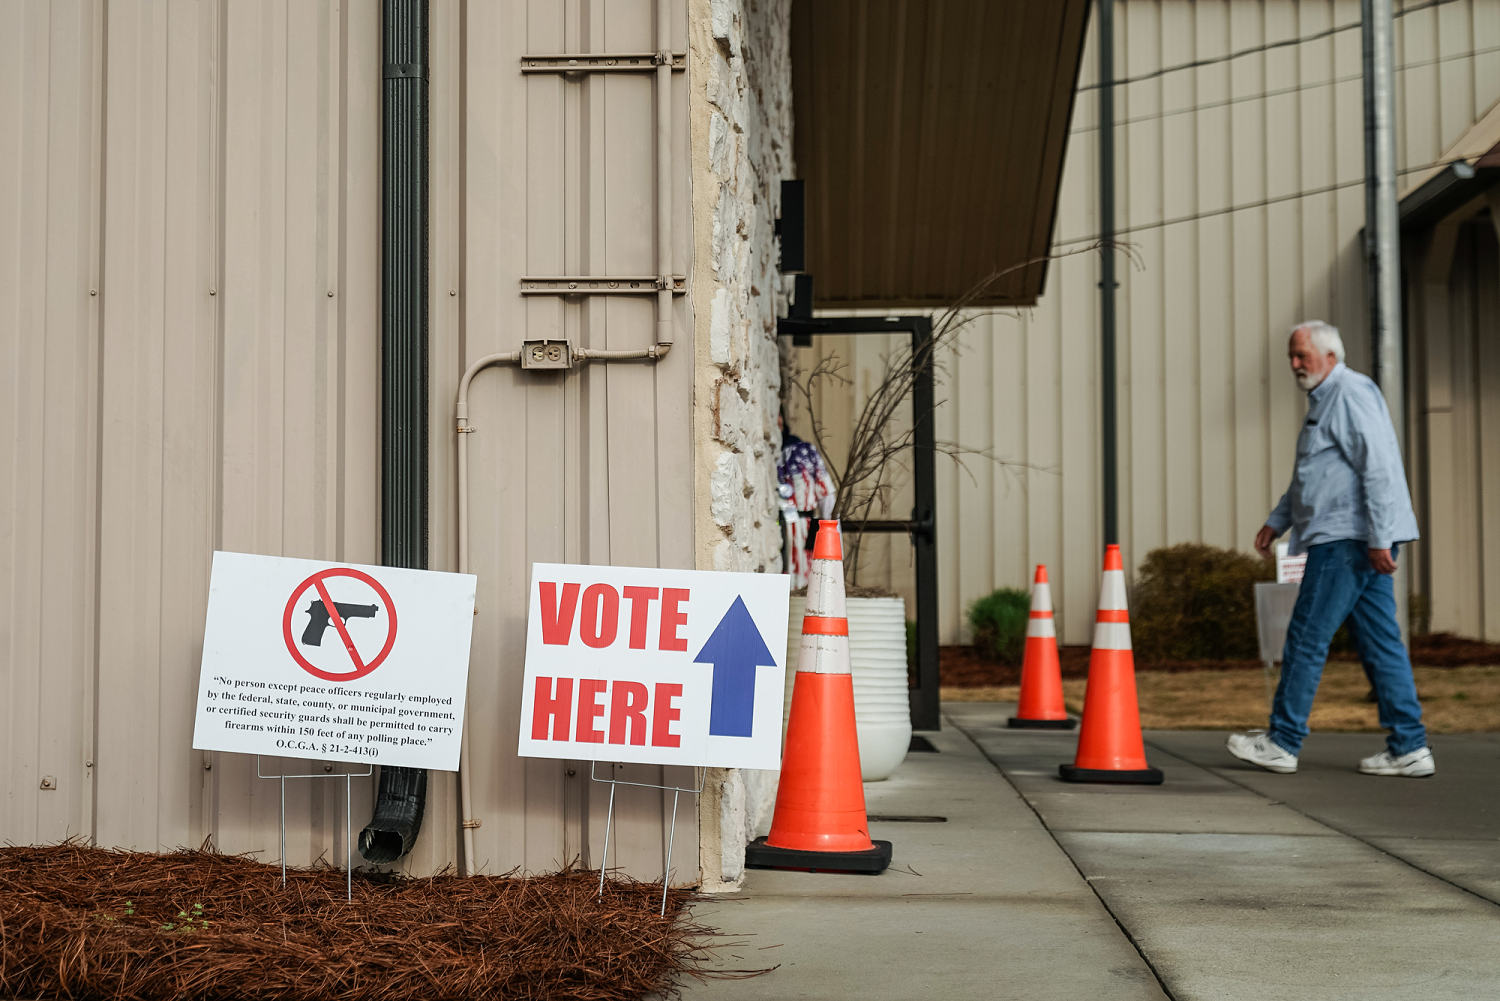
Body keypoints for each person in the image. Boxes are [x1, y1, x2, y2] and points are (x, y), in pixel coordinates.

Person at [1227, 321, 1434, 777]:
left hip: (1347, 540)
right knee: (1381, 643)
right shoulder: (1327, 400)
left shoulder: (1349, 394)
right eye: (1292, 356)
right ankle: (1410, 746)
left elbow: (1378, 468)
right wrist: (1278, 520)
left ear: (1331, 356)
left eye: (1302, 355)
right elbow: (1316, 475)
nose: (1294, 364)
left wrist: (1379, 537)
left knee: (1306, 636)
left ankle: (1282, 741)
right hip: (1354, 538)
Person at [777, 412, 836, 589]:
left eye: (780, 416)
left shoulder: (803, 451)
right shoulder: (767, 453)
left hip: (803, 525)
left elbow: (826, 493)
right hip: (778, 526)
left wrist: (828, 528)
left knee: (804, 580)